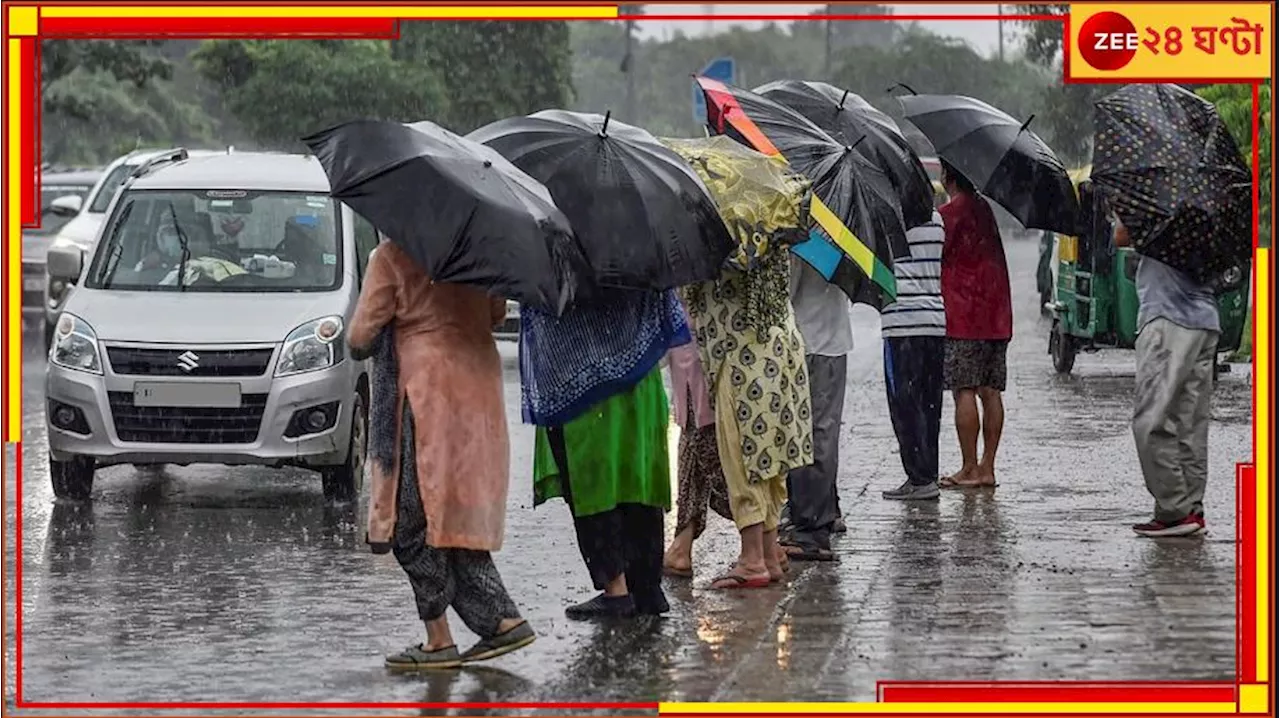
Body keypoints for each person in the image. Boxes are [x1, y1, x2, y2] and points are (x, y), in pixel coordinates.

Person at [348, 239, 534, 670]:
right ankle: (499, 621)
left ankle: (441, 637)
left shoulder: (392, 255)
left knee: (410, 517)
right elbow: (494, 315)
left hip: (423, 392)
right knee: (457, 514)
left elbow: (359, 338)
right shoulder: (481, 253)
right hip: (475, 389)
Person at [523, 288, 689, 619]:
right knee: (637, 479)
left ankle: (616, 590)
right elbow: (667, 313)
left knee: (592, 485)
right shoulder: (642, 244)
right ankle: (647, 587)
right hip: (640, 381)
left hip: (581, 388)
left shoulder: (559, 248)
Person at [684, 247, 814, 583]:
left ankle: (752, 559)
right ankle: (768, 552)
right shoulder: (770, 217)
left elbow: (693, 285)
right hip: (779, 342)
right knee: (770, 457)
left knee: (744, 457)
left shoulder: (725, 232)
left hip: (742, 353)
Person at [1115, 221, 1217, 537]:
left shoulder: (1155, 200)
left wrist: (1120, 212)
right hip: (1205, 320)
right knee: (1189, 422)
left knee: (1150, 421)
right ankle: (1190, 510)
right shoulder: (1203, 207)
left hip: (1167, 320)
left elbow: (1121, 236)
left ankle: (1174, 510)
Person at [937, 160, 1012, 489]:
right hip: (996, 315)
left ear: (947, 176)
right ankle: (987, 467)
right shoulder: (985, 209)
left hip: (963, 315)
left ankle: (968, 467)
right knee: (990, 391)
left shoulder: (949, 216)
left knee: (963, 390)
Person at [780, 257, 850, 558]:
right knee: (824, 430)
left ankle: (811, 528)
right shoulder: (845, 242)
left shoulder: (804, 246)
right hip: (834, 342)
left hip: (807, 344)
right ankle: (824, 509)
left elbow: (784, 295)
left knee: (808, 434)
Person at [662, 299, 734, 578]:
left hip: (702, 359)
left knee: (710, 455)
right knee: (694, 455)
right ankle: (682, 544)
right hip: (695, 358)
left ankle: (761, 537)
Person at [881, 209, 947, 501]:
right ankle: (928, 473)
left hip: (901, 323)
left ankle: (918, 477)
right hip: (934, 322)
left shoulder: (887, 220)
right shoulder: (937, 220)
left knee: (904, 405)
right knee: (930, 403)